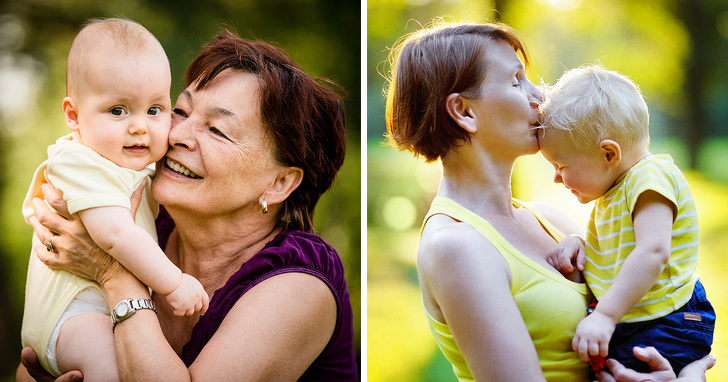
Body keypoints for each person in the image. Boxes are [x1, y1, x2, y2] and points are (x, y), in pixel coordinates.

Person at [17, 28, 357, 381]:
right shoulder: (147, 223)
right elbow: (31, 362)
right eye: (179, 111)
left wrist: (114, 275)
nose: (176, 135)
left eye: (216, 130)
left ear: (279, 183)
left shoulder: (300, 283)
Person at [384, 20, 713, 381]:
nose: (539, 98)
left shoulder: (551, 221)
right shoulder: (456, 246)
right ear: (464, 111)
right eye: (516, 80)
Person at [20, 18, 208, 380]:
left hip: (94, 314)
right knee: (114, 369)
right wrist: (174, 283)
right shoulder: (80, 162)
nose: (139, 126)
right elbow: (115, 235)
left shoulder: (128, 166)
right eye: (118, 110)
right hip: (71, 317)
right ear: (73, 116)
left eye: (154, 110)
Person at [538, 64, 714, 374]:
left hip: (668, 319)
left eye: (561, 165)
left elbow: (652, 251)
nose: (555, 177)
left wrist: (605, 316)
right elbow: (621, 248)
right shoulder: (615, 192)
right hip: (641, 317)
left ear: (609, 154)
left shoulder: (649, 178)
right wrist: (580, 244)